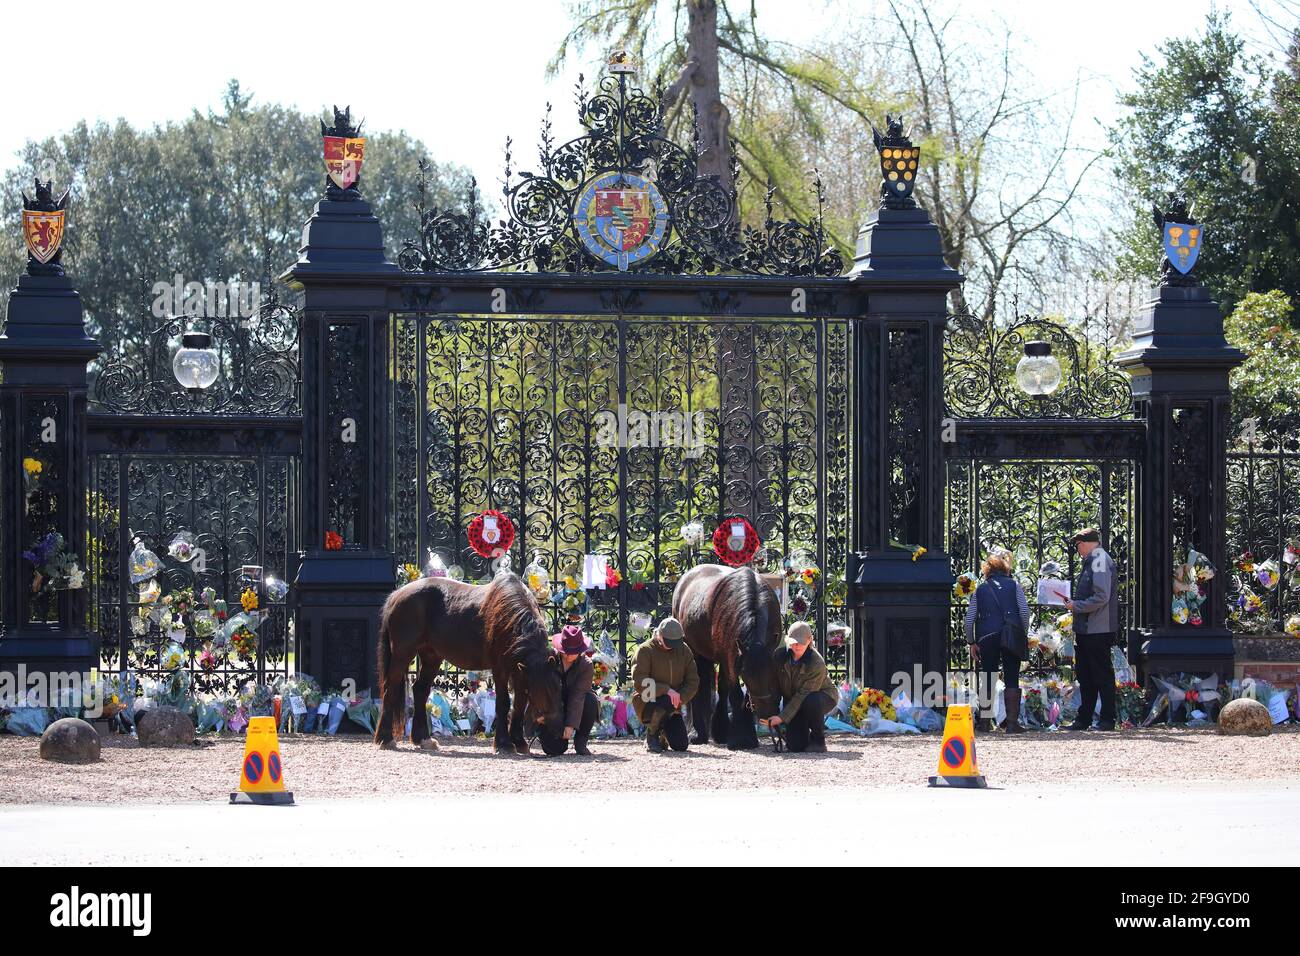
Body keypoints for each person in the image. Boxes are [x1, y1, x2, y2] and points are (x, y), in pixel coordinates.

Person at [964, 548, 1030, 734]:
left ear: (987, 571)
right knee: (1011, 677)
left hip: (987, 637)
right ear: (1006, 570)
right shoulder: (1014, 585)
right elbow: (1024, 612)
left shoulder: (980, 589)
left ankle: (984, 723)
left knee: (988, 676)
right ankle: (1011, 723)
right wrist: (1021, 634)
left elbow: (969, 619)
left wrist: (972, 642)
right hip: (1010, 634)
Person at [1065, 527, 1119, 731]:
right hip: (1089, 628)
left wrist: (1076, 606)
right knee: (1087, 676)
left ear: (1086, 543)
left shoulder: (1098, 559)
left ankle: (1106, 719)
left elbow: (1101, 596)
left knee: (1100, 675)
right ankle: (1084, 719)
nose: (1078, 549)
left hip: (1097, 629)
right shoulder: (1095, 559)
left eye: (1078, 544)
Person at [765, 621, 837, 753]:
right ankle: (803, 732)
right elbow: (773, 685)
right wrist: (770, 712)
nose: (797, 645)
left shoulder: (817, 663)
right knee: (796, 746)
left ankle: (818, 740)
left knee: (811, 701)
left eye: (801, 642)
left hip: (820, 697)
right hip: (794, 700)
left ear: (809, 640)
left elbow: (803, 695)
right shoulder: (779, 656)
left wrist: (781, 718)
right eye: (793, 641)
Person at [630, 617, 699, 753]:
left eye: (675, 642)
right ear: (659, 635)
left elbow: (693, 681)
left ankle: (662, 734)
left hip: (674, 705)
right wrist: (666, 690)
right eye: (668, 642)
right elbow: (640, 682)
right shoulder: (645, 650)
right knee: (667, 699)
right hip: (648, 702)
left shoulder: (684, 650)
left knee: (681, 746)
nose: (672, 646)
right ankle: (651, 735)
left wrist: (680, 698)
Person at [538, 624, 597, 756]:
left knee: (591, 700)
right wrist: (540, 714)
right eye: (566, 652)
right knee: (555, 750)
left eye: (574, 652)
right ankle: (544, 730)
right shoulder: (548, 658)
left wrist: (570, 725)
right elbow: (539, 688)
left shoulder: (586, 665)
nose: (569, 656)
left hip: (575, 704)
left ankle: (581, 741)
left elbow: (578, 695)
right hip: (551, 707)